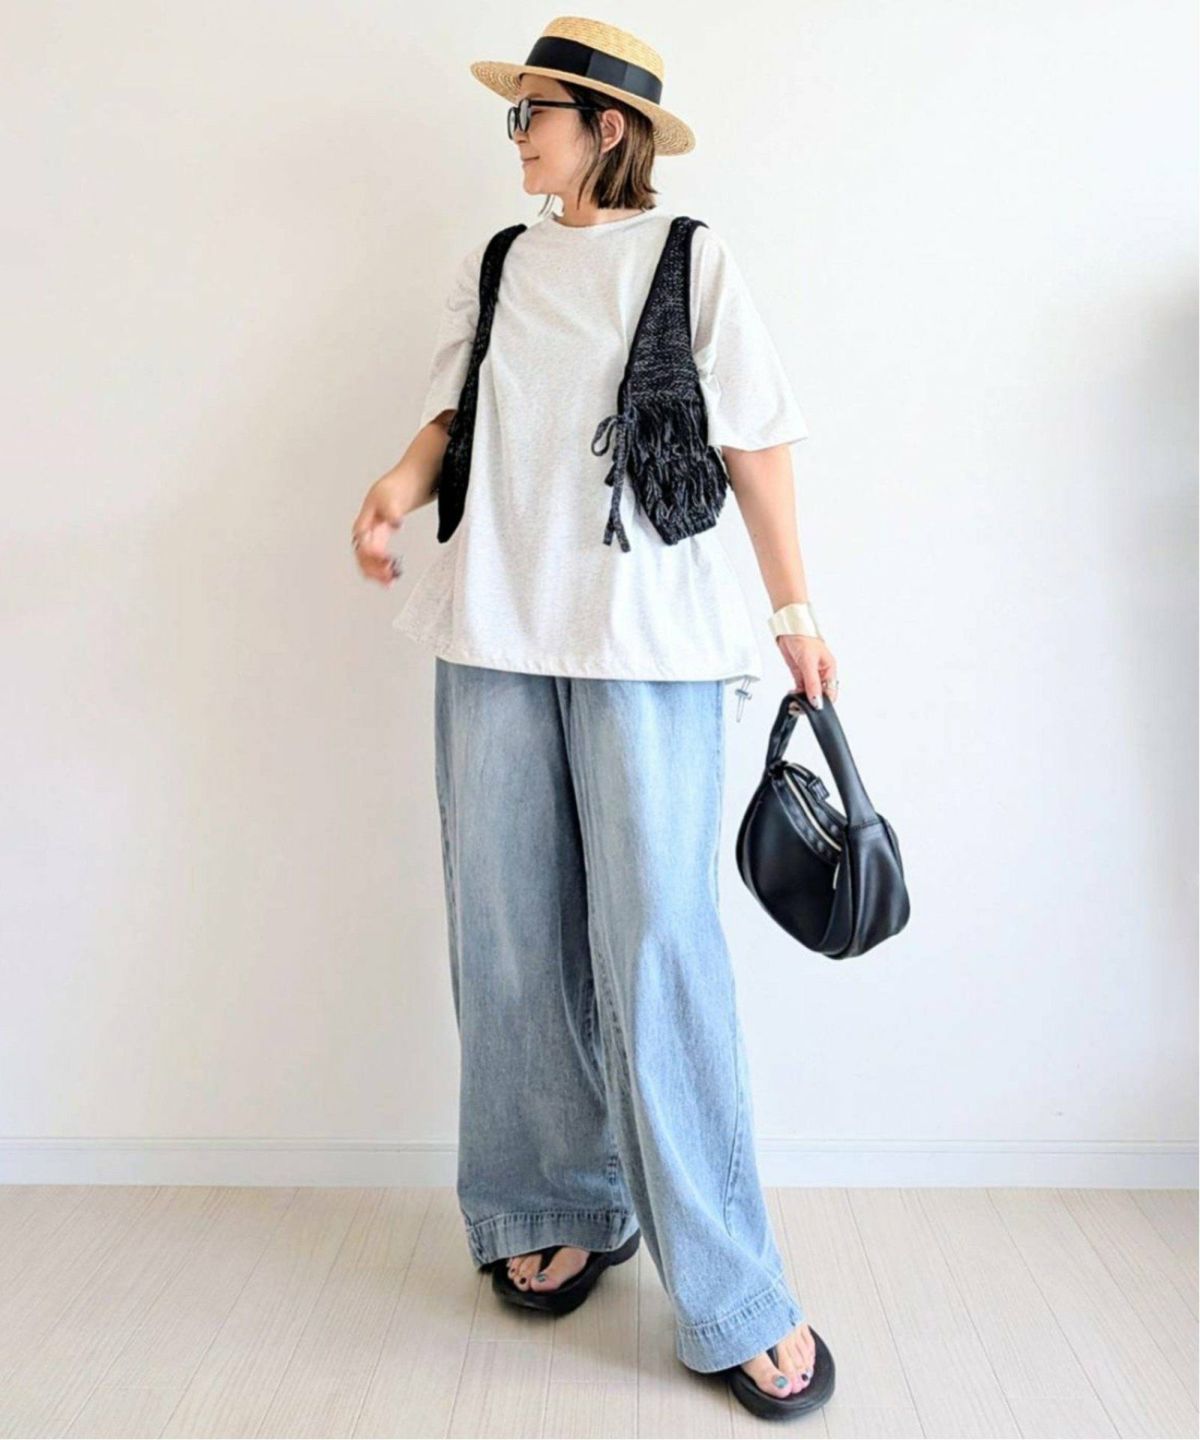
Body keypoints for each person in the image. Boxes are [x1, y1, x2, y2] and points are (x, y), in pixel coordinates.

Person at [352, 17, 838, 1422]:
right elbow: (453, 414)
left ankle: (734, 1291)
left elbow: (756, 442)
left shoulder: (689, 258)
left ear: (603, 127)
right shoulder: (499, 262)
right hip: (490, 632)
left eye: (534, 115)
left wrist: (797, 611)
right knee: (507, 938)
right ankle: (554, 1203)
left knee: (659, 948)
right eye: (514, 117)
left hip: (647, 648)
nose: (517, 139)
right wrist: (394, 490)